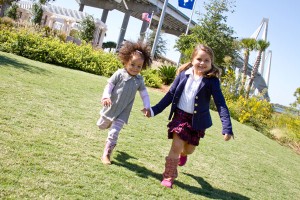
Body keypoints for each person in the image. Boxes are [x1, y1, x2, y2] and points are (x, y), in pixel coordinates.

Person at [145, 44, 234, 188]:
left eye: (207, 60)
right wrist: (154, 110)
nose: (202, 63)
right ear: (192, 59)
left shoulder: (212, 81)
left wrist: (227, 127)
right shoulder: (183, 75)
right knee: (176, 146)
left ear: (211, 63)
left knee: (189, 149)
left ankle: (184, 155)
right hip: (180, 116)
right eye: (199, 59)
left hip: (197, 121)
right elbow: (170, 95)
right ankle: (168, 176)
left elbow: (221, 104)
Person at [96, 41, 152, 165]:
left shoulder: (139, 80)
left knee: (114, 132)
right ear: (126, 61)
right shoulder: (119, 74)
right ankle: (109, 121)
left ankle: (106, 154)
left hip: (123, 111)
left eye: (139, 66)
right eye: (132, 64)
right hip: (110, 107)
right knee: (101, 126)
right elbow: (109, 86)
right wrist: (106, 97)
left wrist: (147, 106)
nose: (135, 68)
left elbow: (144, 94)